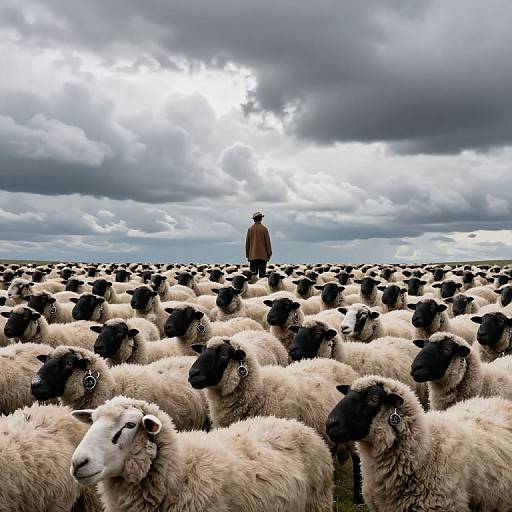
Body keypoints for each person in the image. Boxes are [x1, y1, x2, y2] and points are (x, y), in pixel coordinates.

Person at [245, 211, 272, 278]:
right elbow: (267, 242)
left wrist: (247, 255)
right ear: (261, 219)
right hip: (263, 256)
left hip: (252, 256)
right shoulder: (264, 229)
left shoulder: (250, 229)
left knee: (253, 276)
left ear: (254, 219)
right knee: (262, 275)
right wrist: (269, 253)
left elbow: (247, 243)